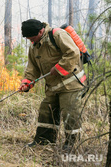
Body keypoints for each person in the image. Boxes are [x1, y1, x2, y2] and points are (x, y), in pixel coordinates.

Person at [19, 19, 86, 151]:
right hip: (52, 87)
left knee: (70, 113)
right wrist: (27, 82)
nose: (31, 41)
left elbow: (73, 52)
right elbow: (32, 68)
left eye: (32, 38)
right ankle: (44, 141)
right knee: (46, 110)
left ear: (40, 31)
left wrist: (59, 67)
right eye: (29, 39)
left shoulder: (57, 35)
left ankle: (72, 145)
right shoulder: (34, 46)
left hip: (70, 84)